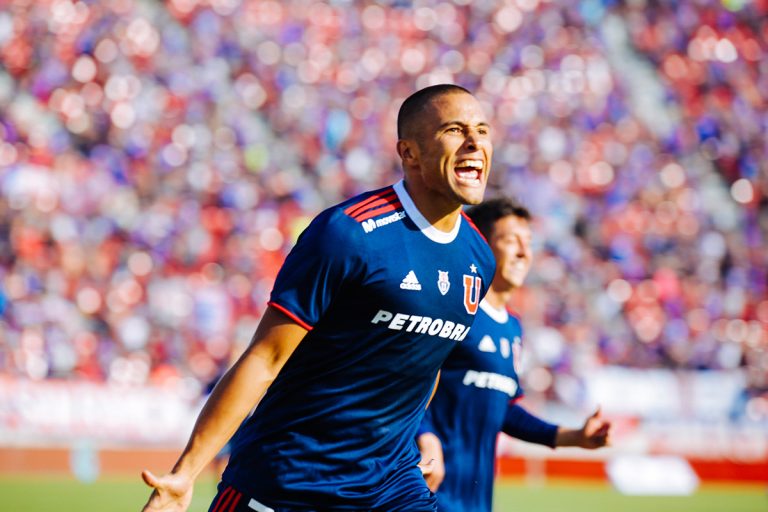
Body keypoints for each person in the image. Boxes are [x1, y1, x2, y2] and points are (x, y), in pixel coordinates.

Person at [141, 84, 496, 512]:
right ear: (410, 153)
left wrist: (423, 429)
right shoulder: (348, 233)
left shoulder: (478, 257)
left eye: (482, 130)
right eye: (455, 130)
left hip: (392, 487)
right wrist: (185, 473)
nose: (475, 142)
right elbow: (264, 358)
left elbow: (427, 357)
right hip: (289, 483)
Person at [417, 197, 611, 512]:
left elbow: (503, 407)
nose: (524, 252)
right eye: (511, 240)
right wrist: (426, 437)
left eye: (528, 242)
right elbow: (402, 384)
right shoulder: (450, 311)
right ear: (481, 246)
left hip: (475, 503)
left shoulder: (512, 327)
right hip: (427, 495)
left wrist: (575, 437)